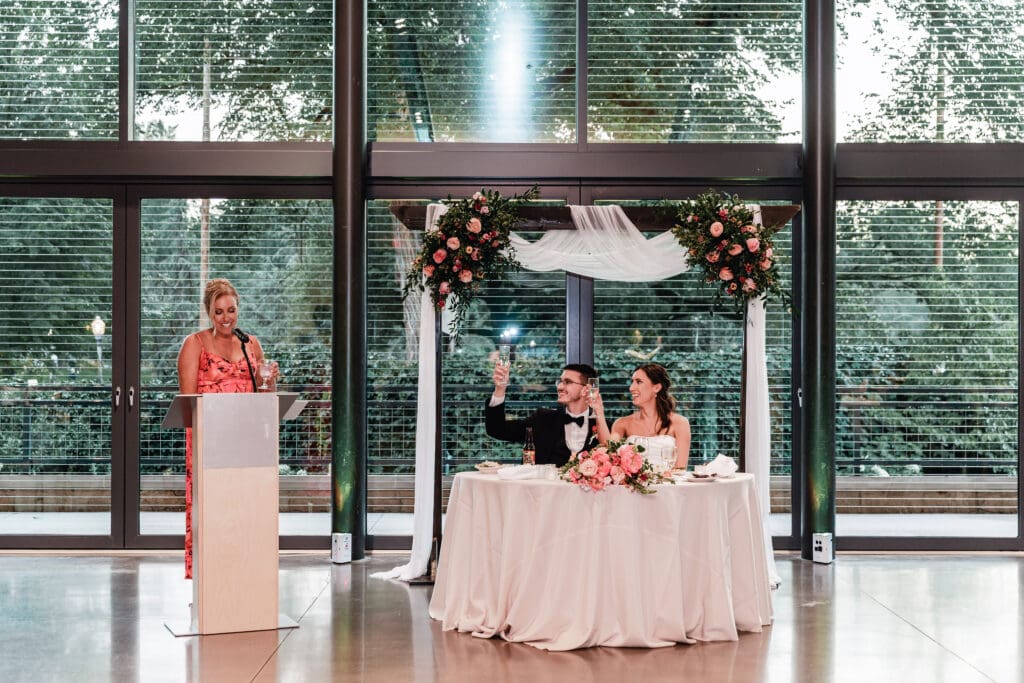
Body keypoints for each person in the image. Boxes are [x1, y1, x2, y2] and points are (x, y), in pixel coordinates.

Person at [176, 278, 277, 579]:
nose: (225, 318)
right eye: (218, 311)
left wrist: (271, 380)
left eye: (231, 310)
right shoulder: (194, 344)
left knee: (245, 510)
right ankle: (210, 584)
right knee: (213, 512)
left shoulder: (250, 344)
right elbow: (188, 403)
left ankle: (243, 579)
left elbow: (264, 395)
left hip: (246, 441)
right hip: (210, 443)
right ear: (208, 312)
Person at [484, 361, 601, 467]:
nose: (560, 387)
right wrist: (500, 389)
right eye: (560, 382)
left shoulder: (603, 427)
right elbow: (498, 430)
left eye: (568, 382)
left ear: (586, 389)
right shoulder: (542, 419)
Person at [592, 363, 690, 470]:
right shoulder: (622, 423)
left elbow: (680, 469)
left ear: (656, 387)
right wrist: (599, 411)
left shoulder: (680, 423)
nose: (631, 388)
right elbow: (608, 452)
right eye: (632, 382)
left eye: (639, 382)